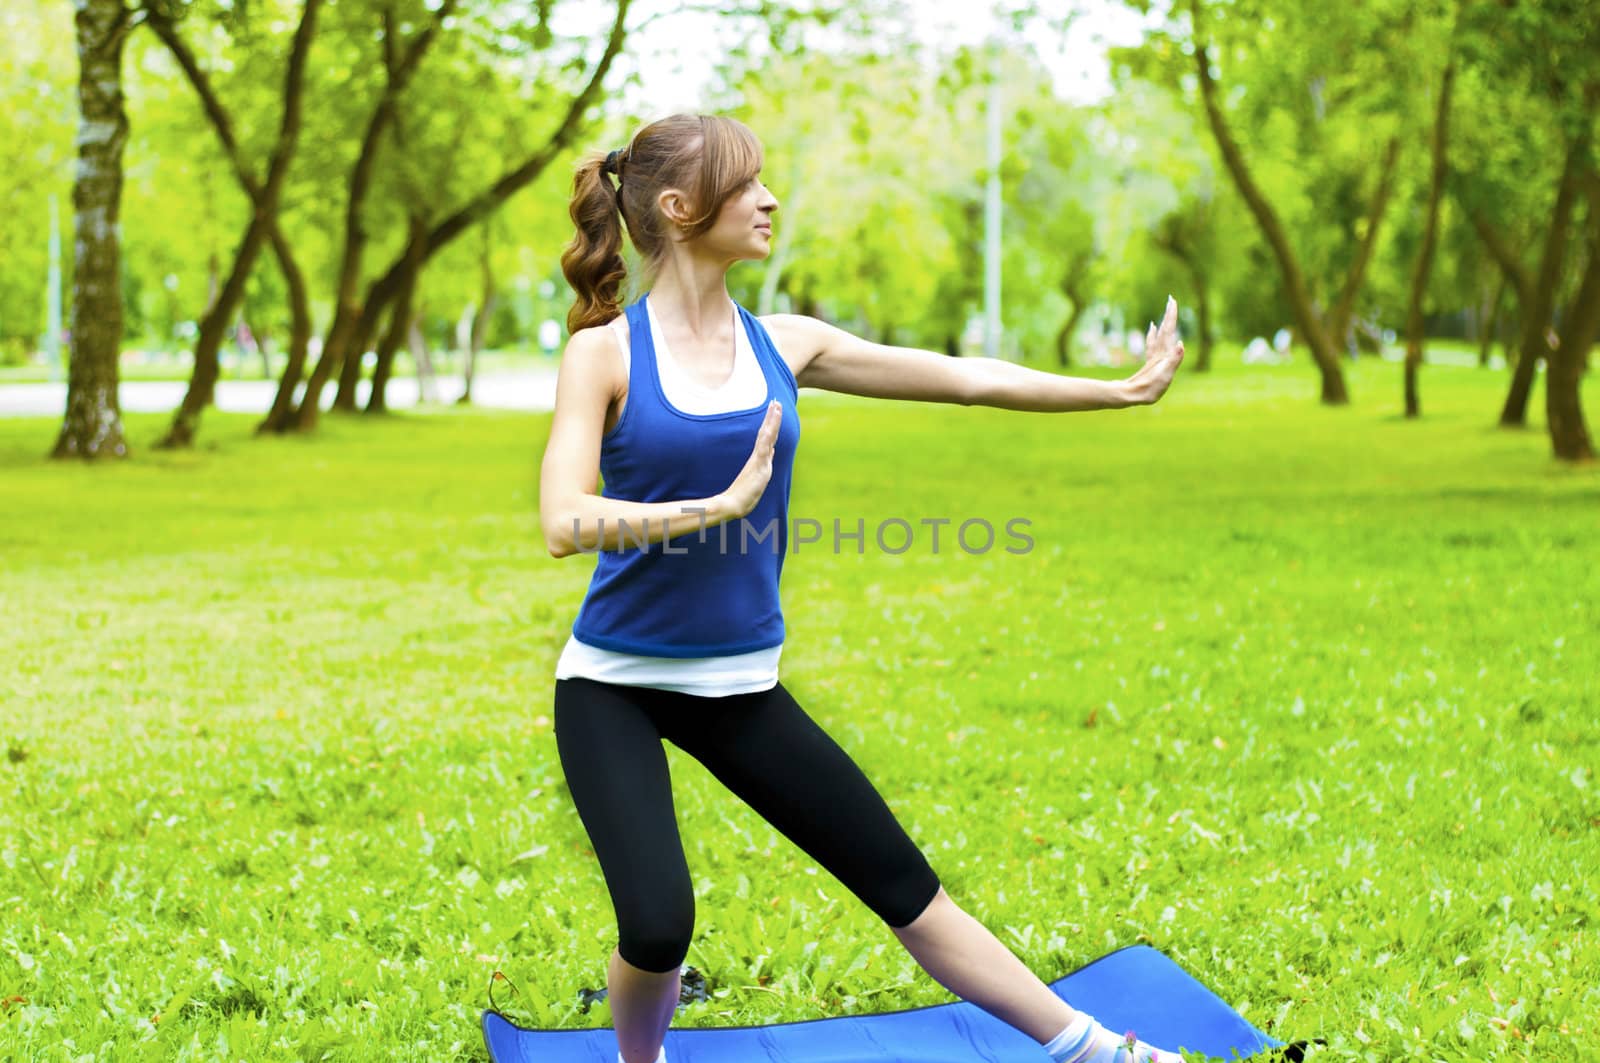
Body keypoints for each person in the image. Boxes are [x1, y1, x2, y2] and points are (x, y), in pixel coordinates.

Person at [539, 113, 1186, 1063]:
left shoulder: (787, 344)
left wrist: (1117, 391)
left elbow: (966, 379)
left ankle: (1097, 1051)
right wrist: (715, 505)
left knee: (904, 885)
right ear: (679, 209)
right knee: (658, 923)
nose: (768, 200)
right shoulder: (605, 354)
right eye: (746, 183)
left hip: (740, 687)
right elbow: (564, 519)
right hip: (614, 685)